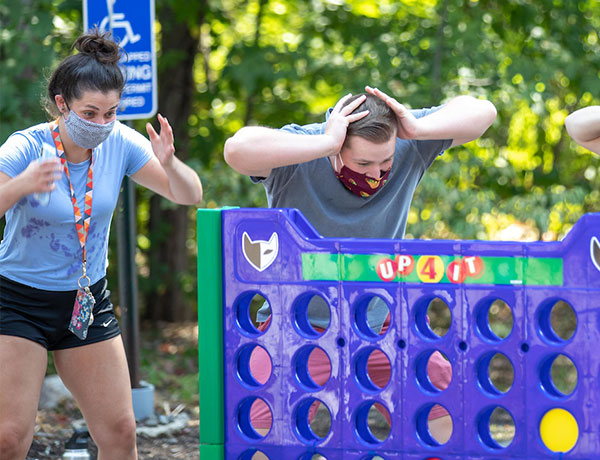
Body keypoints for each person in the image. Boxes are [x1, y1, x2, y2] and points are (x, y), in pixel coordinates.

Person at [224, 86, 496, 444]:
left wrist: (415, 129)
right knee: (257, 423)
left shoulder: (407, 143)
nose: (376, 173)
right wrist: (325, 143)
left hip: (382, 319)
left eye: (385, 164)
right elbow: (237, 149)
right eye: (363, 164)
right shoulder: (303, 149)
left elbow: (483, 111)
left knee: (446, 405)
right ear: (337, 149)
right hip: (295, 321)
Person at [0, 30, 202, 460]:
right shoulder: (26, 146)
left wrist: (170, 163)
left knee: (119, 429)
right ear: (61, 104)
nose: (100, 124)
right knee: (9, 437)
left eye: (110, 113)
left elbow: (189, 195)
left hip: (86, 300)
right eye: (89, 113)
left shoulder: (121, 142)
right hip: (18, 301)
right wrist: (20, 185)